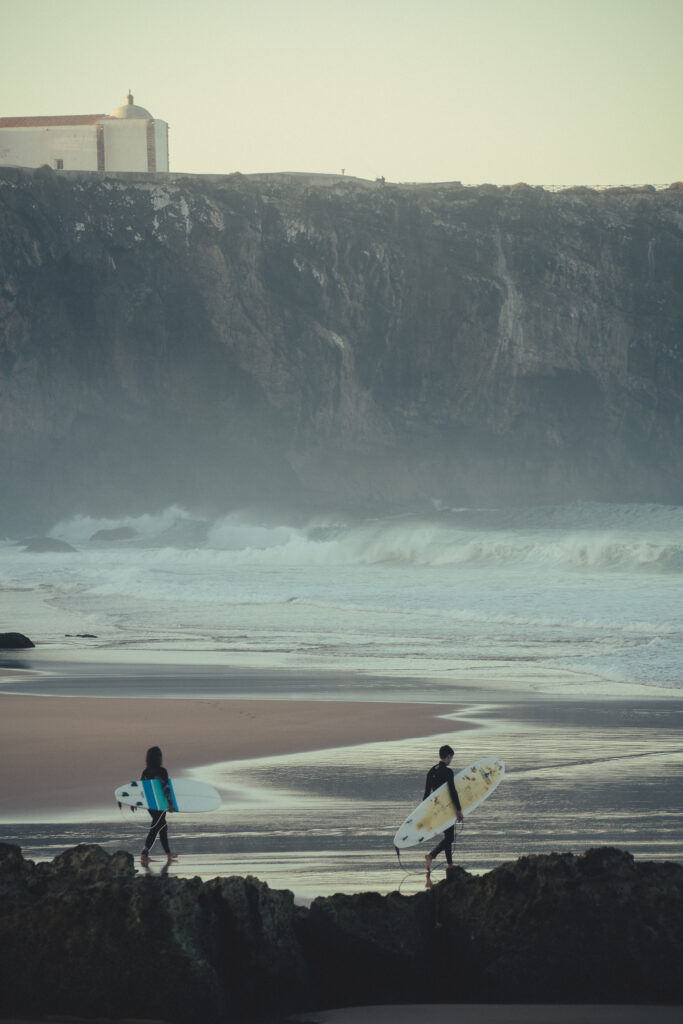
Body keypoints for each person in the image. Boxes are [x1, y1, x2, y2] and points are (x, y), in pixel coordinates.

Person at [423, 744, 463, 882]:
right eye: (451, 757)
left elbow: (426, 795)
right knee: (450, 837)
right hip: (447, 808)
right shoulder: (448, 772)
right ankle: (431, 855)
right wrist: (458, 809)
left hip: (436, 809)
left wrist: (426, 813)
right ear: (448, 756)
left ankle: (450, 864)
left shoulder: (432, 771)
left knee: (448, 835)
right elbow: (452, 791)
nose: (451, 760)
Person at [140, 745, 178, 867]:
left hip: (150, 805)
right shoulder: (162, 771)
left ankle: (164, 853)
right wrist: (170, 803)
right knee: (159, 826)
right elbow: (166, 788)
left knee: (160, 826)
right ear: (158, 758)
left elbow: (141, 790)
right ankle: (146, 854)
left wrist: (134, 803)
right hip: (161, 803)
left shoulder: (145, 772)